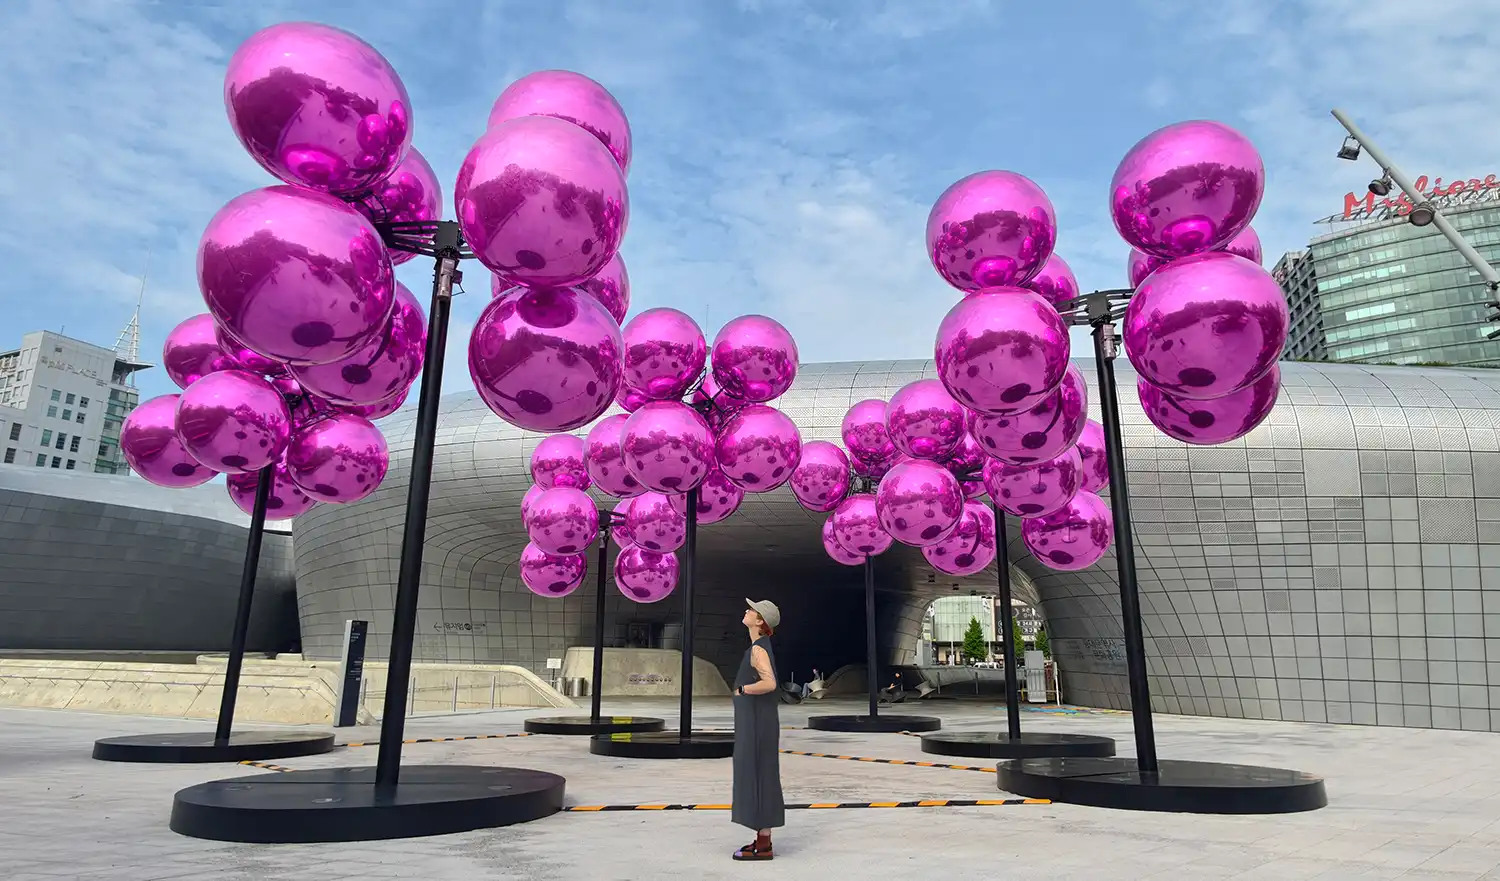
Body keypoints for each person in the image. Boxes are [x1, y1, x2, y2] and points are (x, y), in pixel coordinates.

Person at [731, 598, 785, 861]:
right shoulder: (758, 647)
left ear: (760, 620)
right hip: (756, 721)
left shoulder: (758, 650)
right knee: (758, 773)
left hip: (757, 722)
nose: (746, 611)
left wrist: (743, 690)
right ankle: (763, 839)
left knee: (758, 773)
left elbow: (769, 683)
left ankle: (764, 846)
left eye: (751, 610)